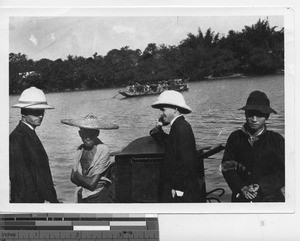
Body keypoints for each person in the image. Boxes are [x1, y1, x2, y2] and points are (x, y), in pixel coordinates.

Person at [221, 90, 285, 202]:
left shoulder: (277, 140)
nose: (254, 119)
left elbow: (285, 172)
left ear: (267, 116)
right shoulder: (235, 137)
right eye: (250, 114)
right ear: (245, 114)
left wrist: (262, 186)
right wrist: (242, 187)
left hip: (270, 200)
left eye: (259, 115)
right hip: (241, 198)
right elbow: (227, 167)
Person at [150, 90, 203, 202]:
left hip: (181, 191)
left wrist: (178, 188)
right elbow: (169, 144)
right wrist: (158, 126)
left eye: (163, 109)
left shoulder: (181, 128)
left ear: (175, 109)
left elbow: (186, 161)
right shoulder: (179, 126)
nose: (160, 113)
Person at [10, 87, 58, 203]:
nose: (40, 115)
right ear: (23, 113)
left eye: (42, 111)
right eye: (36, 111)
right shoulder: (17, 138)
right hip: (30, 203)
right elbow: (23, 180)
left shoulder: (27, 133)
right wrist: (40, 204)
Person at [61, 114, 119, 203]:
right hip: (81, 194)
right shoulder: (80, 149)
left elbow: (91, 184)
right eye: (85, 133)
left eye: (91, 133)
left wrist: (77, 175)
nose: (87, 137)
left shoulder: (103, 149)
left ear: (97, 133)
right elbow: (72, 178)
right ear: (80, 134)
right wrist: (83, 180)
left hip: (97, 196)